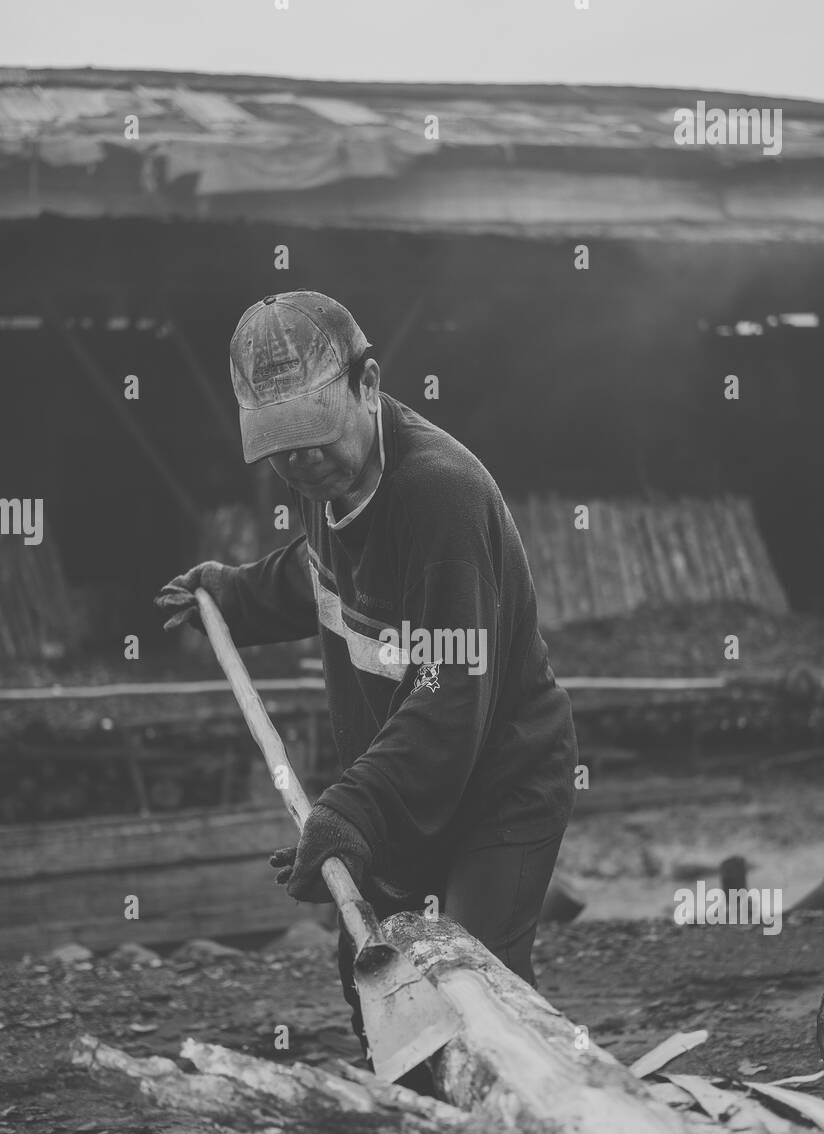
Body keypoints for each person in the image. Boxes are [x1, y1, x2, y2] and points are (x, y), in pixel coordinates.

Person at [156, 290, 576, 1059]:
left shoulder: (438, 496)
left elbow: (449, 699)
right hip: (414, 771)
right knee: (372, 966)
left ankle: (539, 1133)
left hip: (498, 777)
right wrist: (232, 595)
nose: (300, 460)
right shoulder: (329, 483)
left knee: (471, 982)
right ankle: (417, 1133)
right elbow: (322, 577)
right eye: (280, 445)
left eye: (314, 435)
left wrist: (350, 811)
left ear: (369, 384)